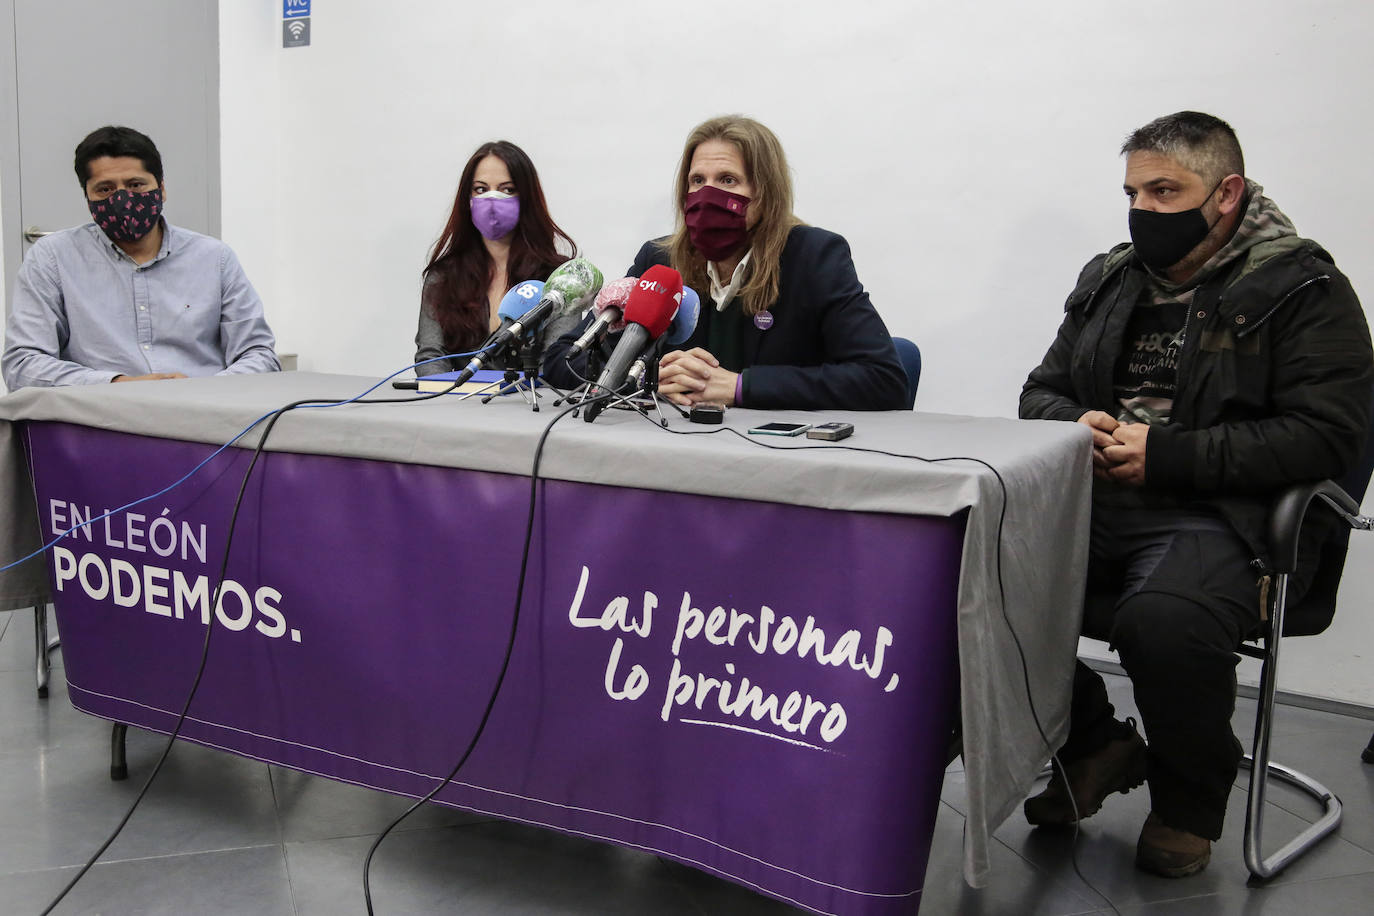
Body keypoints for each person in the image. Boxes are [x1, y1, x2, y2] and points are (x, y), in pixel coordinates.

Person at [1020, 112, 1372, 877]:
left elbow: (1328, 436)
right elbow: (1040, 389)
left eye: (1164, 191)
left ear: (1227, 192)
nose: (1143, 210)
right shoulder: (1110, 278)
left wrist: (1168, 456)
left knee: (1164, 619)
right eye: (1133, 193)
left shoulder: (1304, 287)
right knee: (962, 575)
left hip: (1228, 519)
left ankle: (1186, 802)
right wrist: (1076, 421)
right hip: (1101, 500)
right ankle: (1095, 741)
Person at [543, 115, 907, 410]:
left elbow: (882, 379)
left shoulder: (814, 256)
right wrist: (646, 377)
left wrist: (739, 386)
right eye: (697, 181)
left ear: (765, 194)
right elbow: (562, 360)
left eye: (728, 180)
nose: (707, 195)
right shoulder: (659, 261)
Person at [2, 126, 279, 389]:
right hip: (104, 416)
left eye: (136, 185)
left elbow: (260, 356)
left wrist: (204, 391)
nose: (123, 199)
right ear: (87, 197)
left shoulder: (214, 258)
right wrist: (118, 385)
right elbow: (23, 365)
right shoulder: (53, 258)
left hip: (204, 416)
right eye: (105, 189)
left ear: (162, 188)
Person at [415, 141, 577, 375]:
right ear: (467, 199)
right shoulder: (443, 276)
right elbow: (430, 357)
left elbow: (554, 365)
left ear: (527, 198)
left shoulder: (559, 279)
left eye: (507, 189)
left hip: (529, 406)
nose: (492, 200)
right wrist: (447, 398)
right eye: (481, 189)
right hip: (456, 406)